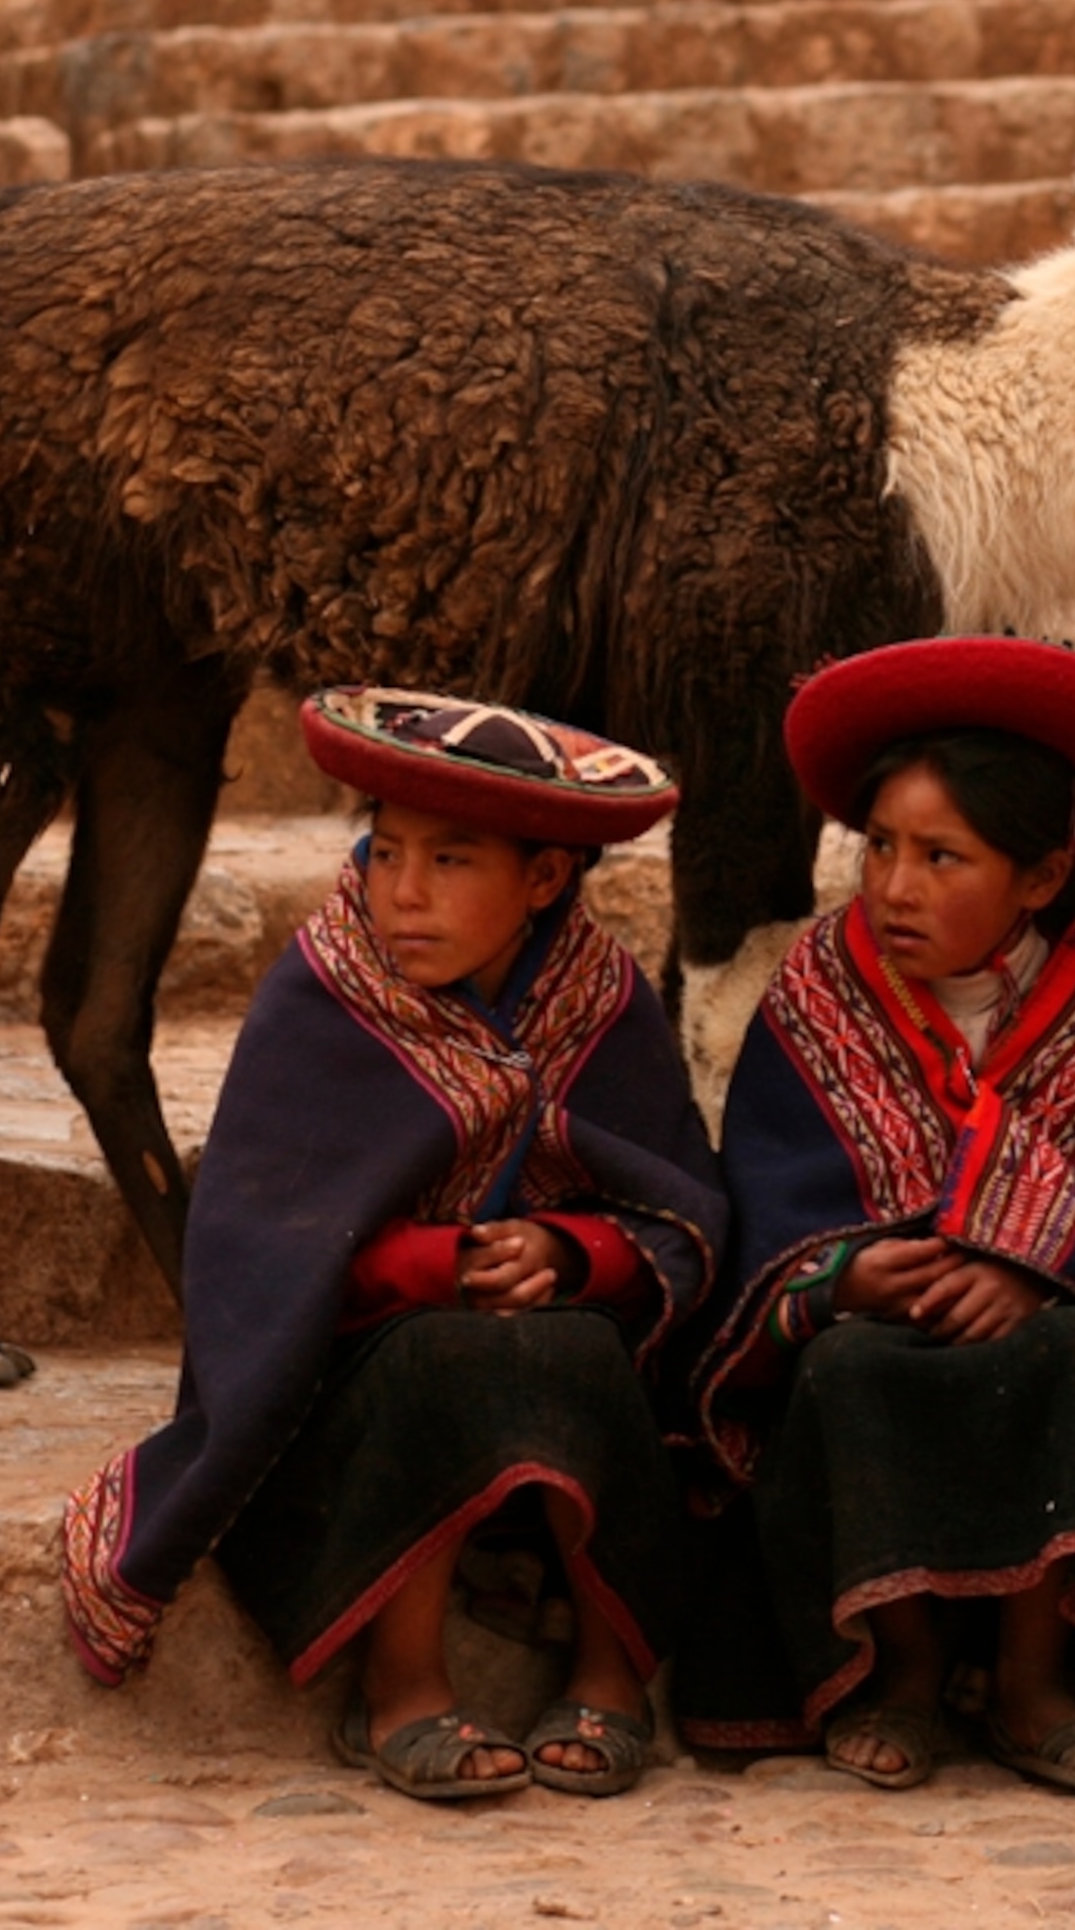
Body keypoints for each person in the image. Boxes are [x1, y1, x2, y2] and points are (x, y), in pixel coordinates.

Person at [60, 686, 728, 1803]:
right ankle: (402, 1687)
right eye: (387, 852)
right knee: (440, 1351)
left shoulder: (602, 999)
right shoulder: (327, 989)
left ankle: (611, 1672)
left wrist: (574, 1256)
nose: (404, 894)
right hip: (358, 1398)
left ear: (546, 878)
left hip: (566, 1391)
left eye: (453, 861)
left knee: (579, 1346)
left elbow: (682, 1209)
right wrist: (436, 1267)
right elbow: (259, 1248)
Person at [685, 636, 1075, 1796]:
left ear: (1040, 873)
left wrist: (1041, 1270)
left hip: (1044, 1321)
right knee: (853, 1371)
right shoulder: (817, 992)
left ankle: (1033, 1677)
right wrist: (843, 1280)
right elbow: (771, 1193)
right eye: (878, 846)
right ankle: (900, 1669)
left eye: (940, 856)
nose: (894, 885)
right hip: (869, 1321)